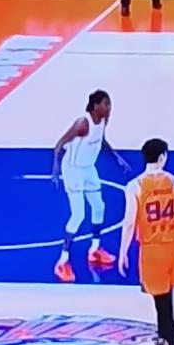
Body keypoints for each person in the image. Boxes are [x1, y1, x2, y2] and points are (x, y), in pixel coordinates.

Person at [118, 137, 174, 345]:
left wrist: (122, 251)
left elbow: (129, 223)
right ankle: (162, 343)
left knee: (163, 306)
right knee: (164, 300)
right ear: (162, 157)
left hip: (152, 250)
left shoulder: (135, 186)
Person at [51, 90, 129, 281]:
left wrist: (117, 157)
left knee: (99, 207)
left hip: (88, 168)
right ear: (95, 105)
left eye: (109, 104)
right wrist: (55, 171)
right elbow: (59, 145)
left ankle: (94, 250)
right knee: (78, 215)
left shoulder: (102, 122)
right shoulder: (82, 124)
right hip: (73, 170)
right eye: (105, 103)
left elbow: (101, 141)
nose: (109, 107)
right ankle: (62, 261)